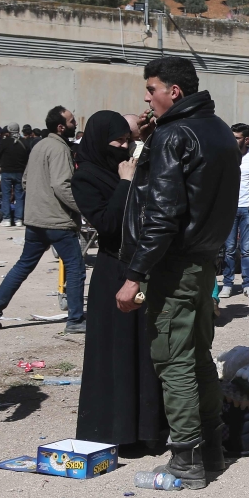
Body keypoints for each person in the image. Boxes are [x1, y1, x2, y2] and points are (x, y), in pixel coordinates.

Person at [115, 56, 239, 489]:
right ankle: (212, 450)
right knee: (197, 356)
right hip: (203, 262)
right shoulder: (219, 130)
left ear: (175, 92)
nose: (146, 98)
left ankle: (186, 460)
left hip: (175, 265)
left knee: (173, 361)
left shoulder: (175, 135)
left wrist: (134, 275)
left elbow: (164, 214)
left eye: (151, 89)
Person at [72, 111, 165, 451]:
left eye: (127, 141)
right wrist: (125, 183)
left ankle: (147, 432)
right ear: (99, 141)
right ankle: (115, 432)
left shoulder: (128, 163)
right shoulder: (87, 178)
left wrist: (146, 135)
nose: (124, 147)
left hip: (140, 267)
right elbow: (108, 224)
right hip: (113, 271)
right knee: (114, 352)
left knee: (143, 350)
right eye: (118, 142)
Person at [0, 106, 86, 334]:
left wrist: (39, 204)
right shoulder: (59, 149)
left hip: (35, 220)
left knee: (22, 266)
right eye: (71, 121)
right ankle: (76, 320)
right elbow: (61, 185)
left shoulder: (39, 146)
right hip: (57, 222)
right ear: (60, 127)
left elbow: (27, 181)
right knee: (76, 268)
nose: (75, 124)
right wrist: (83, 208)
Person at [220, 123, 249, 299]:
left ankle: (247, 284)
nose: (233, 141)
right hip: (229, 208)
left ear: (247, 139)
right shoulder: (226, 156)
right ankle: (227, 283)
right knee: (229, 248)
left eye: (237, 138)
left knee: (247, 250)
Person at [0, 123, 31, 227]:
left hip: (6, 171)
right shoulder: (24, 142)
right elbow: (29, 156)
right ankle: (18, 219)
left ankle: (6, 218)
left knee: (6, 196)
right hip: (20, 172)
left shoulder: (5, 142)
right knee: (20, 196)